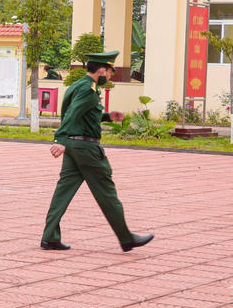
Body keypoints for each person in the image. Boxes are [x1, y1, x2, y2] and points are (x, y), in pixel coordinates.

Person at [42, 51, 154, 252]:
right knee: (107, 192)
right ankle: (126, 238)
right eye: (110, 72)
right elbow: (73, 113)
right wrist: (60, 139)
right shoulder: (88, 89)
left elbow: (83, 113)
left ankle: (50, 237)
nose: (110, 76)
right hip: (86, 148)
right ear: (102, 70)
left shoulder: (78, 85)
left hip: (74, 146)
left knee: (63, 192)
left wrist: (108, 116)